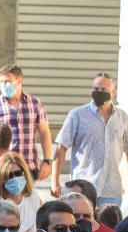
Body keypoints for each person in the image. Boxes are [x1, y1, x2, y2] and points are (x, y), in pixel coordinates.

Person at [52, 73, 128, 206]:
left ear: (113, 92)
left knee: (110, 227)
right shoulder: (77, 115)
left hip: (112, 190)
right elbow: (61, 149)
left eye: (103, 90)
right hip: (83, 189)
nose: (98, 92)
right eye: (95, 89)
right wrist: (54, 181)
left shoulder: (122, 117)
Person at [0, 64, 52, 182]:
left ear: (19, 81)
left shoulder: (35, 103)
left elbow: (44, 132)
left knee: (29, 200)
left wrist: (47, 160)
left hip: (29, 167)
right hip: (5, 168)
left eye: (8, 81)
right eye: (1, 82)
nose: (4, 85)